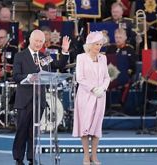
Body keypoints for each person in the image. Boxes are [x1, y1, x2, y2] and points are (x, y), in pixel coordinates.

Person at [12, 29, 71, 165]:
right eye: (36, 41)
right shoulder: (20, 56)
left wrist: (65, 51)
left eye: (41, 41)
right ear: (30, 40)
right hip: (24, 99)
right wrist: (28, 77)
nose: (38, 44)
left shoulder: (44, 56)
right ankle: (18, 159)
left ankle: (32, 158)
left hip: (39, 100)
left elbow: (59, 65)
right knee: (22, 129)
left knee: (34, 131)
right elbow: (15, 76)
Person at [72, 31, 110, 165]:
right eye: (96, 44)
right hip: (86, 96)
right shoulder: (81, 58)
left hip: (100, 96)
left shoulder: (103, 58)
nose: (99, 47)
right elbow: (79, 78)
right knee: (85, 126)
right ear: (89, 45)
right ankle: (86, 157)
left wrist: (103, 88)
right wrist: (93, 88)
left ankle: (94, 156)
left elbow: (107, 77)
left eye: (100, 44)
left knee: (96, 127)